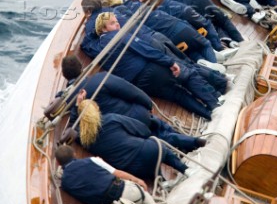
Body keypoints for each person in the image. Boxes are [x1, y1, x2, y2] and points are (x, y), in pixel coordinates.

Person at [60, 55, 206, 153]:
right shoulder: (101, 79)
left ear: (65, 76)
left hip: (120, 128)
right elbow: (130, 90)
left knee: (155, 137)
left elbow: (63, 108)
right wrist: (148, 103)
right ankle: (193, 143)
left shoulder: (70, 99)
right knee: (161, 129)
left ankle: (187, 146)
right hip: (136, 115)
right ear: (82, 67)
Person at [94, 11, 223, 119]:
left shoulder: (100, 49)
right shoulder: (118, 35)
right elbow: (144, 49)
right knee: (189, 75)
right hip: (150, 70)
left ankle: (209, 115)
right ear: (103, 29)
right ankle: (215, 105)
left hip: (141, 84)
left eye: (117, 21)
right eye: (112, 23)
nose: (117, 25)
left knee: (177, 95)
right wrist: (169, 61)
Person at [55, 146, 172, 204]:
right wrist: (137, 180)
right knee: (142, 194)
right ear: (74, 154)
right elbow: (117, 173)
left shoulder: (65, 183)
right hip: (122, 192)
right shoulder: (92, 160)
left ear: (59, 163)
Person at [110, 0, 226, 51]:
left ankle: (213, 54)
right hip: (181, 9)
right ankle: (219, 47)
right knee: (206, 24)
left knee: (188, 42)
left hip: (170, 24)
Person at [76, 99, 193, 181]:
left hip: (132, 168)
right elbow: (143, 130)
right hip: (145, 151)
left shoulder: (85, 140)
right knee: (163, 150)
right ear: (96, 110)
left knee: (148, 167)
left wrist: (77, 107)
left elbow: (74, 128)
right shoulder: (110, 119)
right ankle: (185, 170)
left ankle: (162, 181)